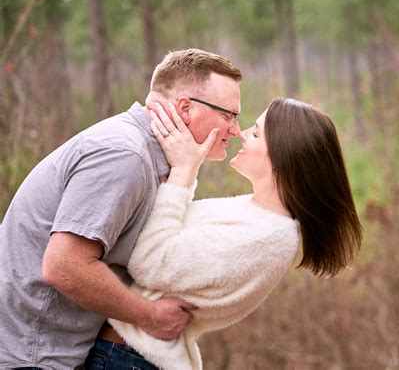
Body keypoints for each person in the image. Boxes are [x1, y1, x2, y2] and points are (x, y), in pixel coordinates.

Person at [0, 48, 243, 369]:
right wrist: (150, 315)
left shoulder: (150, 158)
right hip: (31, 355)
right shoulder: (124, 156)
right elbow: (64, 265)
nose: (236, 130)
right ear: (185, 108)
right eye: (229, 115)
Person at [85, 98, 363, 370]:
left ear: (281, 156)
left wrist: (184, 171)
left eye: (255, 133)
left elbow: (149, 262)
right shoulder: (253, 213)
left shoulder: (266, 237)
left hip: (130, 359)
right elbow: (170, 231)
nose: (241, 134)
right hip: (124, 355)